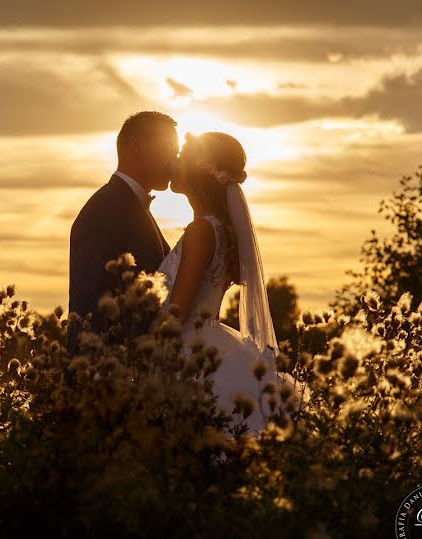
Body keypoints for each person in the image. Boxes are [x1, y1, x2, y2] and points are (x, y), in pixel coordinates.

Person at [158, 131, 301, 437]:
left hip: (189, 352)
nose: (174, 161)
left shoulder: (201, 231)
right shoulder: (220, 230)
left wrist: (142, 353)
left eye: (182, 155)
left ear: (199, 169)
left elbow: (177, 313)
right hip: (211, 344)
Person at [67, 111, 179, 357]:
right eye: (169, 150)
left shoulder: (129, 207)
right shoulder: (106, 209)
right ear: (136, 145)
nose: (174, 161)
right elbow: (93, 301)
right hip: (103, 372)